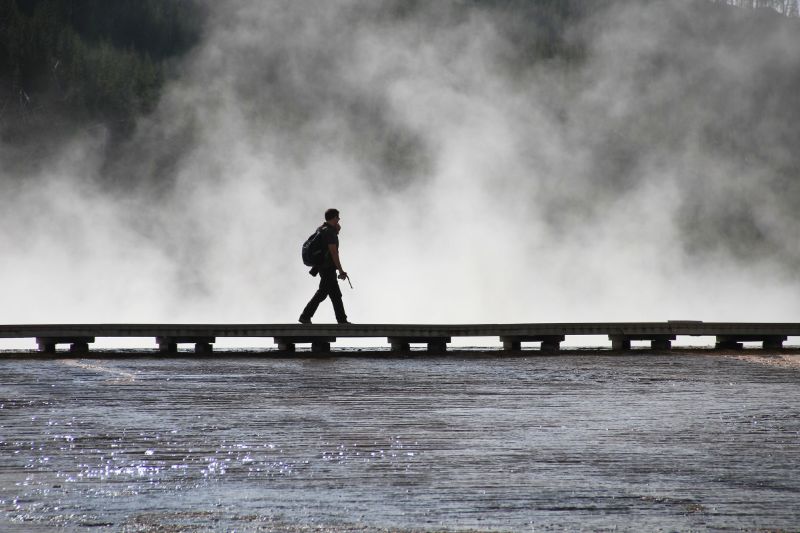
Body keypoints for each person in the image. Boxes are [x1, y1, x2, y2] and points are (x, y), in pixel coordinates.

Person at [299, 208, 350, 324]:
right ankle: (305, 316)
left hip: (322, 266)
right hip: (328, 268)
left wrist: (336, 232)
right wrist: (341, 270)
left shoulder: (321, 229)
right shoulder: (330, 232)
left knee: (335, 294)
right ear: (334, 218)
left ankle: (342, 320)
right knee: (322, 293)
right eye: (338, 217)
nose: (339, 220)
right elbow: (333, 252)